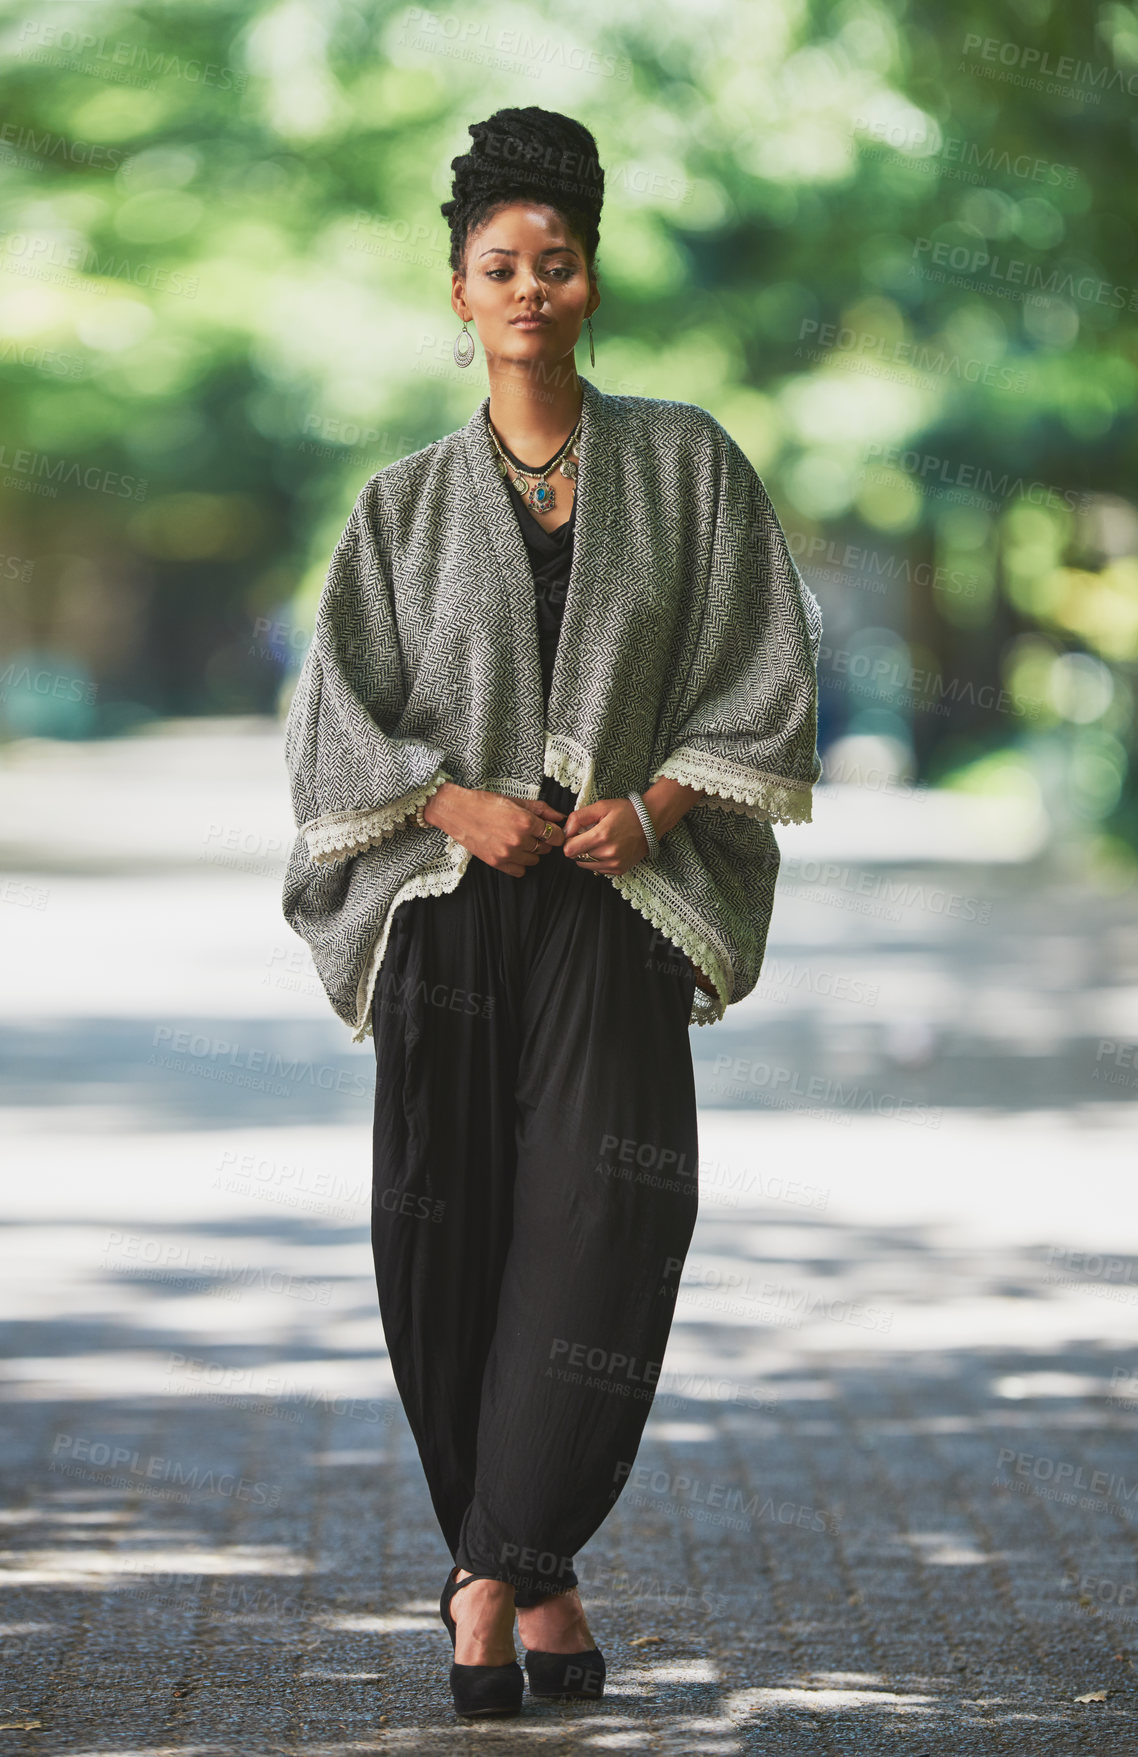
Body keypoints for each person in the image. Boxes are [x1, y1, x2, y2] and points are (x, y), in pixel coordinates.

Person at [281, 105, 822, 1720]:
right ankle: (531, 1585)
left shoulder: (689, 464)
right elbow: (329, 723)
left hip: (614, 911)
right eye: (498, 265)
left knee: (606, 1221)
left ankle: (490, 1562)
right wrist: (449, 800)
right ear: (457, 292)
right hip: (449, 914)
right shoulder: (395, 506)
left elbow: (765, 677)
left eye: (557, 263)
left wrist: (652, 803)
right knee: (447, 1235)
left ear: (593, 284)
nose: (530, 287)